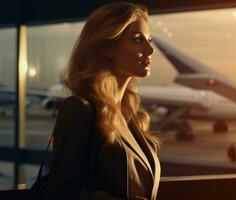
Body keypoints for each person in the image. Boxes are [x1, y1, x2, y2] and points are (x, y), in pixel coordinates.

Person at [46, 3, 160, 200]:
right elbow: (60, 192)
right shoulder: (79, 109)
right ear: (107, 47)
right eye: (137, 39)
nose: (150, 50)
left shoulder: (130, 116)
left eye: (149, 40)